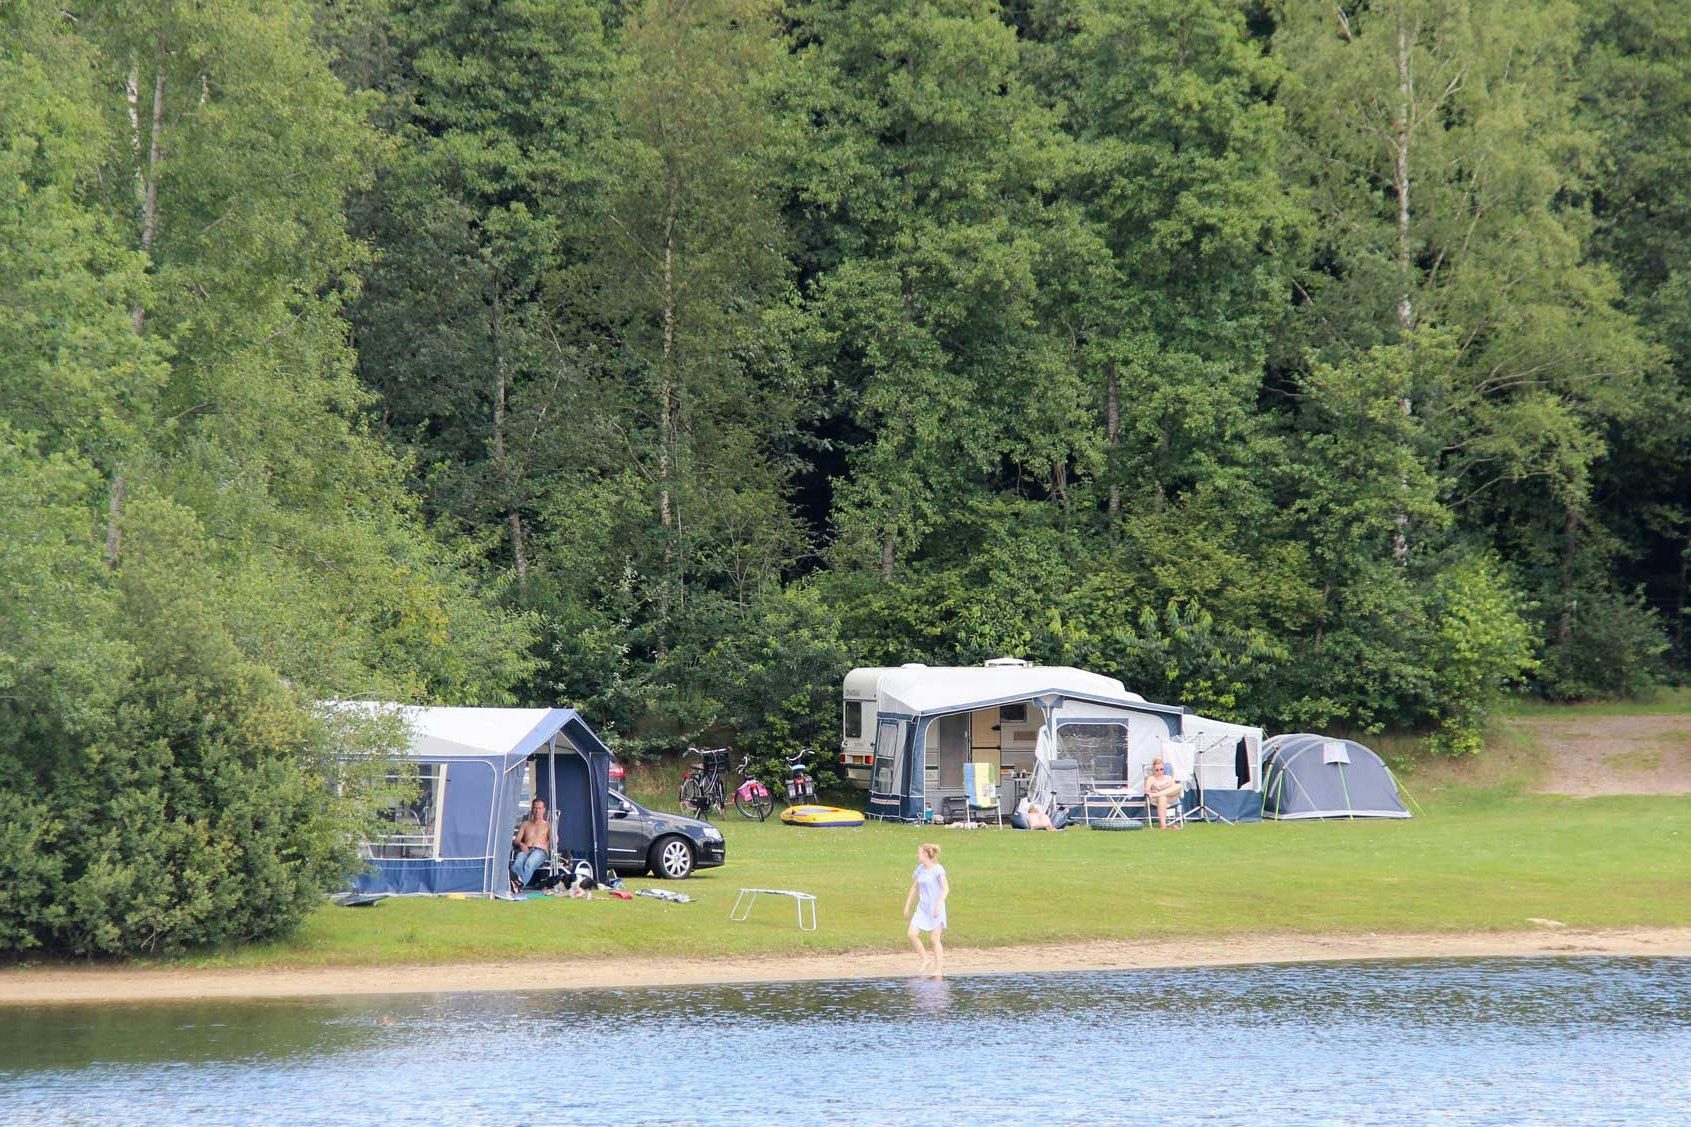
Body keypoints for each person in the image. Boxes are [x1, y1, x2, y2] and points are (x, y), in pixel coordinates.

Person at [903, 842, 949, 978]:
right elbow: (914, 888)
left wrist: (938, 905)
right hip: (922, 908)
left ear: (925, 854)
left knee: (934, 939)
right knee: (912, 933)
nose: (917, 855)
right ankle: (925, 959)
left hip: (936, 908)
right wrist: (907, 905)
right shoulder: (920, 869)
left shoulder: (938, 869)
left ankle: (938, 969)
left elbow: (945, 889)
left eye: (919, 853)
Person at [509, 797, 553, 893]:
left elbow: (555, 841)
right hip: (525, 849)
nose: (537, 811)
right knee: (517, 864)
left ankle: (516, 886)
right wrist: (521, 844)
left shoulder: (548, 825)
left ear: (544, 810)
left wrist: (553, 833)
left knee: (529, 863)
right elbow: (516, 841)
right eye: (535, 808)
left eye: (540, 808)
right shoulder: (526, 824)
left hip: (540, 851)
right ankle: (515, 885)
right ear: (532, 809)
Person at [1144, 757, 1184, 829]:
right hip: (1157, 799)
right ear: (1154, 770)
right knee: (1162, 798)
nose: (1159, 772)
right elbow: (1146, 791)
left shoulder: (1168, 777)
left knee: (1179, 786)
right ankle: (1163, 825)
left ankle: (1158, 794)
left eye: (1161, 769)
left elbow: (1174, 789)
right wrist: (1153, 790)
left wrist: (1158, 793)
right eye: (1157, 770)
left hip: (1170, 797)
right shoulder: (1151, 779)